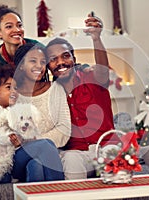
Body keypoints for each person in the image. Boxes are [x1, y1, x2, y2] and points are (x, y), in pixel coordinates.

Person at [45, 14, 119, 180]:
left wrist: (96, 38)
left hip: (106, 148)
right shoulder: (51, 95)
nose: (60, 63)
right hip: (77, 154)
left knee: (115, 166)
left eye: (65, 56)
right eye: (53, 59)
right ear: (48, 67)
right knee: (70, 159)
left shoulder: (93, 77)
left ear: (73, 59)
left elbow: (102, 69)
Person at [10, 42, 71, 182]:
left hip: (48, 156)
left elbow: (64, 129)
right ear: (21, 65)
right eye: (33, 61)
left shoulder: (56, 89)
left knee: (36, 165)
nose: (39, 66)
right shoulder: (13, 93)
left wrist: (34, 141)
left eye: (43, 62)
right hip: (18, 156)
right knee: (44, 145)